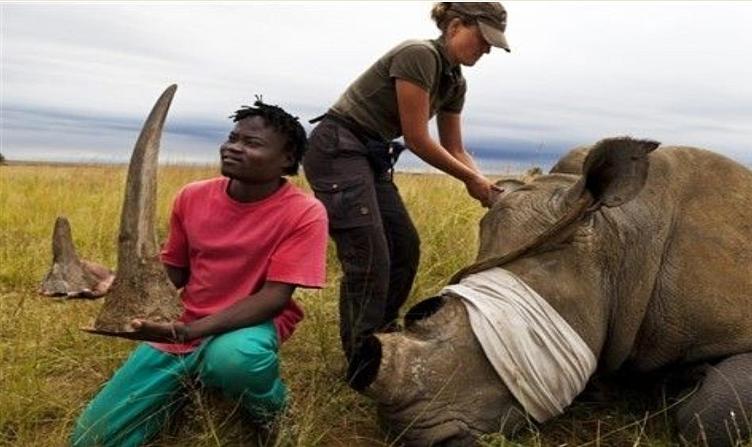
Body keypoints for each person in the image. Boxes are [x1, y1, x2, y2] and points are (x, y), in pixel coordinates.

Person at [71, 99, 328, 447]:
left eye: (251, 143)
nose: (233, 148)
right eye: (232, 137)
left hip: (248, 326)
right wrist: (120, 284)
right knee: (91, 438)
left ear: (286, 159)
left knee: (232, 360)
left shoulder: (305, 212)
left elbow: (273, 298)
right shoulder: (192, 196)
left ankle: (273, 415)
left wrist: (186, 331)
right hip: (184, 325)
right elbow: (175, 270)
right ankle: (185, 391)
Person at [303, 2, 510, 373]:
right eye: (483, 39)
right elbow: (417, 138)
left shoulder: (455, 82)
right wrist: (470, 179)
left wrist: (485, 185)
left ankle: (380, 338)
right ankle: (363, 364)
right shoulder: (418, 55)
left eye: (493, 43)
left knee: (405, 247)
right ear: (456, 26)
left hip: (371, 156)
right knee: (369, 259)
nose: (487, 49)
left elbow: (455, 147)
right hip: (339, 147)